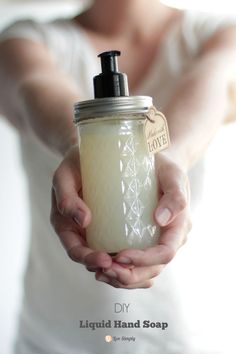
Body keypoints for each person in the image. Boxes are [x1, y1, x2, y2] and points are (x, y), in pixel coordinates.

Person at [0, 0, 236, 353]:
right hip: (54, 340)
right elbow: (33, 87)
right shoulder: (25, 40)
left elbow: (214, 83)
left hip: (181, 338)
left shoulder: (219, 34)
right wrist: (77, 145)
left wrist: (171, 154)